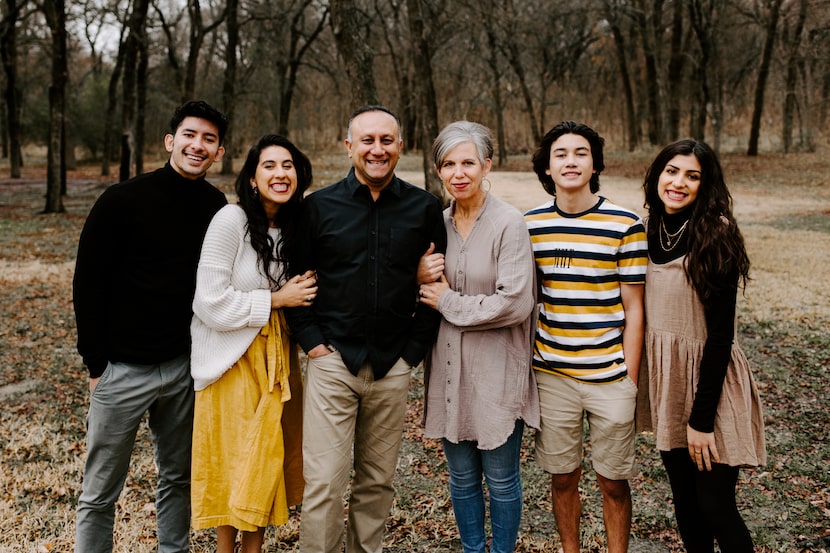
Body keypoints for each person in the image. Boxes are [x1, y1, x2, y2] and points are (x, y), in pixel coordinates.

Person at [284, 105, 447, 553]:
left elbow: (436, 286)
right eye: (368, 140)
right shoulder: (317, 208)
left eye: (386, 140)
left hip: (392, 365)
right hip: (333, 363)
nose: (378, 149)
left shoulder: (424, 208)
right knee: (324, 486)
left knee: (377, 484)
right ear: (349, 146)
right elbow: (296, 281)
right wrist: (314, 344)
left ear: (401, 146)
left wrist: (411, 353)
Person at [72, 100, 229, 552]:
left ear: (218, 151)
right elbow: (88, 283)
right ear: (170, 140)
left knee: (177, 479)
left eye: (209, 139)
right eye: (190, 135)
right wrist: (96, 364)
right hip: (121, 368)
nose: (197, 145)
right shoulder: (121, 201)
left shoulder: (216, 207)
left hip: (183, 368)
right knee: (100, 489)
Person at [524, 121, 647, 553]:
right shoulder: (529, 226)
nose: (571, 161)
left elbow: (635, 308)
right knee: (563, 477)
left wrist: (629, 378)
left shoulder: (625, 223)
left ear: (595, 163)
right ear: (547, 167)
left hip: (610, 375)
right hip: (552, 374)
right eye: (561, 154)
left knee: (613, 481)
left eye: (581, 152)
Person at [416, 121, 539, 553]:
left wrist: (448, 301)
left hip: (497, 369)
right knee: (462, 478)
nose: (459, 173)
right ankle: (473, 549)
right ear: (438, 171)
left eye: (468, 162)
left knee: (502, 480)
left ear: (487, 164)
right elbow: (418, 287)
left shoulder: (509, 223)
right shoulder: (435, 222)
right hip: (448, 369)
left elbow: (514, 303)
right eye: (448, 164)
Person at [189, 135, 316, 552]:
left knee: (264, 463)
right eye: (269, 166)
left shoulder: (298, 229)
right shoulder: (230, 220)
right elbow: (208, 301)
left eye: (288, 166)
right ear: (253, 178)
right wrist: (276, 300)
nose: (280, 174)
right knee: (233, 464)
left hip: (277, 359)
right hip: (231, 360)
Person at [640, 139, 766, 552]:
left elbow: (720, 338)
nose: (678, 182)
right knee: (686, 504)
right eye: (672, 171)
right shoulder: (645, 229)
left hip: (710, 387)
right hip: (668, 383)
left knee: (714, 504)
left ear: (705, 184)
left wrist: (701, 420)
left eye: (692, 176)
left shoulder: (715, 234)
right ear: (658, 173)